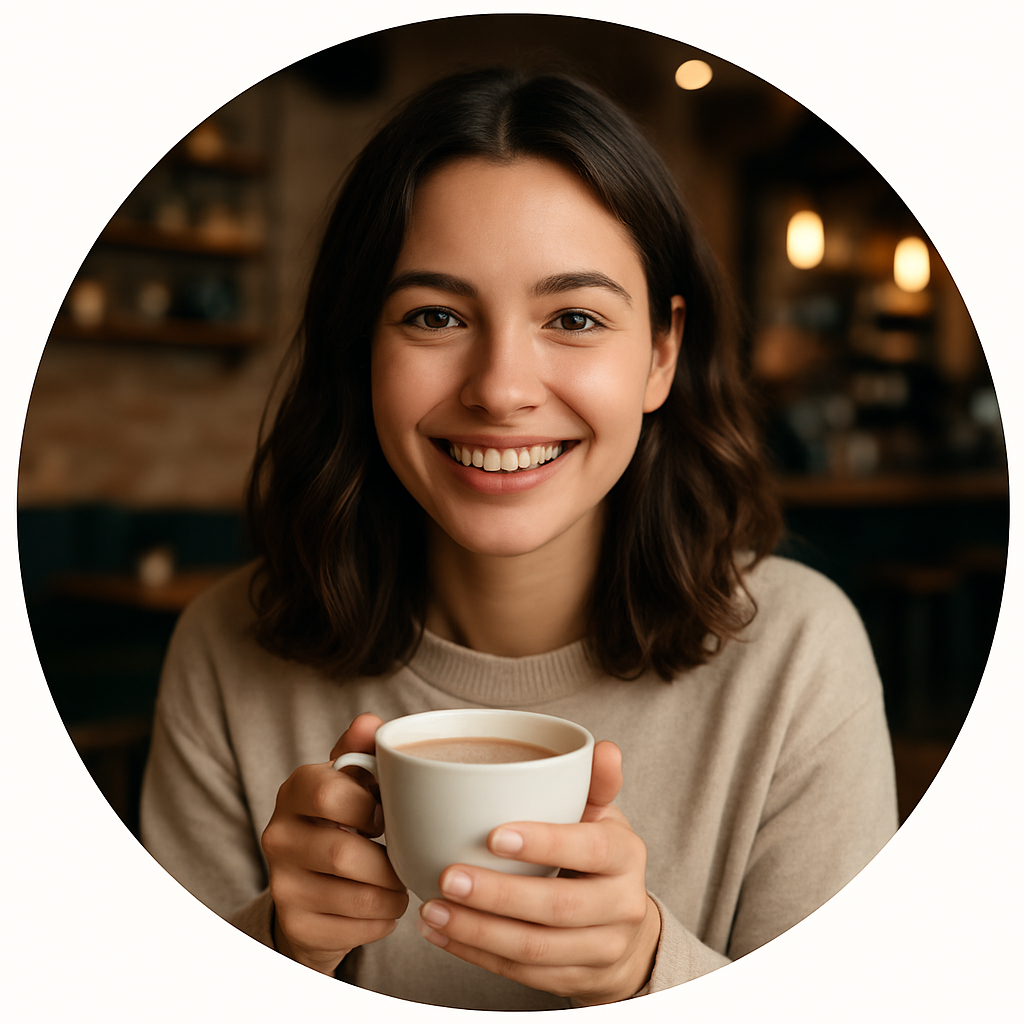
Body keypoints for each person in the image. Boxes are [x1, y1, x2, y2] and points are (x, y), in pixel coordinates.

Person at [141, 67, 897, 1011]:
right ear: (359, 349)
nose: (501, 388)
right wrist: (279, 947)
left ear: (661, 353)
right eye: (435, 317)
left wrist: (647, 973)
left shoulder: (797, 654)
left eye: (574, 318)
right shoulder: (225, 649)